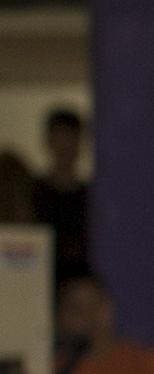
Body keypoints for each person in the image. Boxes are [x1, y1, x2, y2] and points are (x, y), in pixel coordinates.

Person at [32, 107, 88, 284]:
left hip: (79, 283)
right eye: (60, 137)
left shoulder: (91, 198)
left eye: (71, 138)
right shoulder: (33, 193)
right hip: (39, 281)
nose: (65, 146)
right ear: (49, 141)